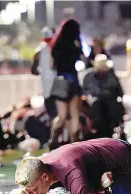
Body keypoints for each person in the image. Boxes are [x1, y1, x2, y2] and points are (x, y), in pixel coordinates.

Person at [49, 19, 84, 149]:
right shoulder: (75, 45)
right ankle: (74, 143)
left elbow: (52, 65)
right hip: (73, 80)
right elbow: (83, 59)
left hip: (60, 80)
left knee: (62, 115)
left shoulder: (56, 45)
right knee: (75, 114)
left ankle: (53, 139)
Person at [82, 54, 124, 138]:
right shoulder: (89, 77)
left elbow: (119, 91)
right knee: (97, 105)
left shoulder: (111, 76)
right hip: (94, 105)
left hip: (110, 104)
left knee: (113, 108)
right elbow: (85, 92)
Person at [31, 27, 57, 119]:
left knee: (53, 116)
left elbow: (34, 71)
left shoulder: (39, 50)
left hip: (49, 90)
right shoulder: (58, 48)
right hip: (57, 90)